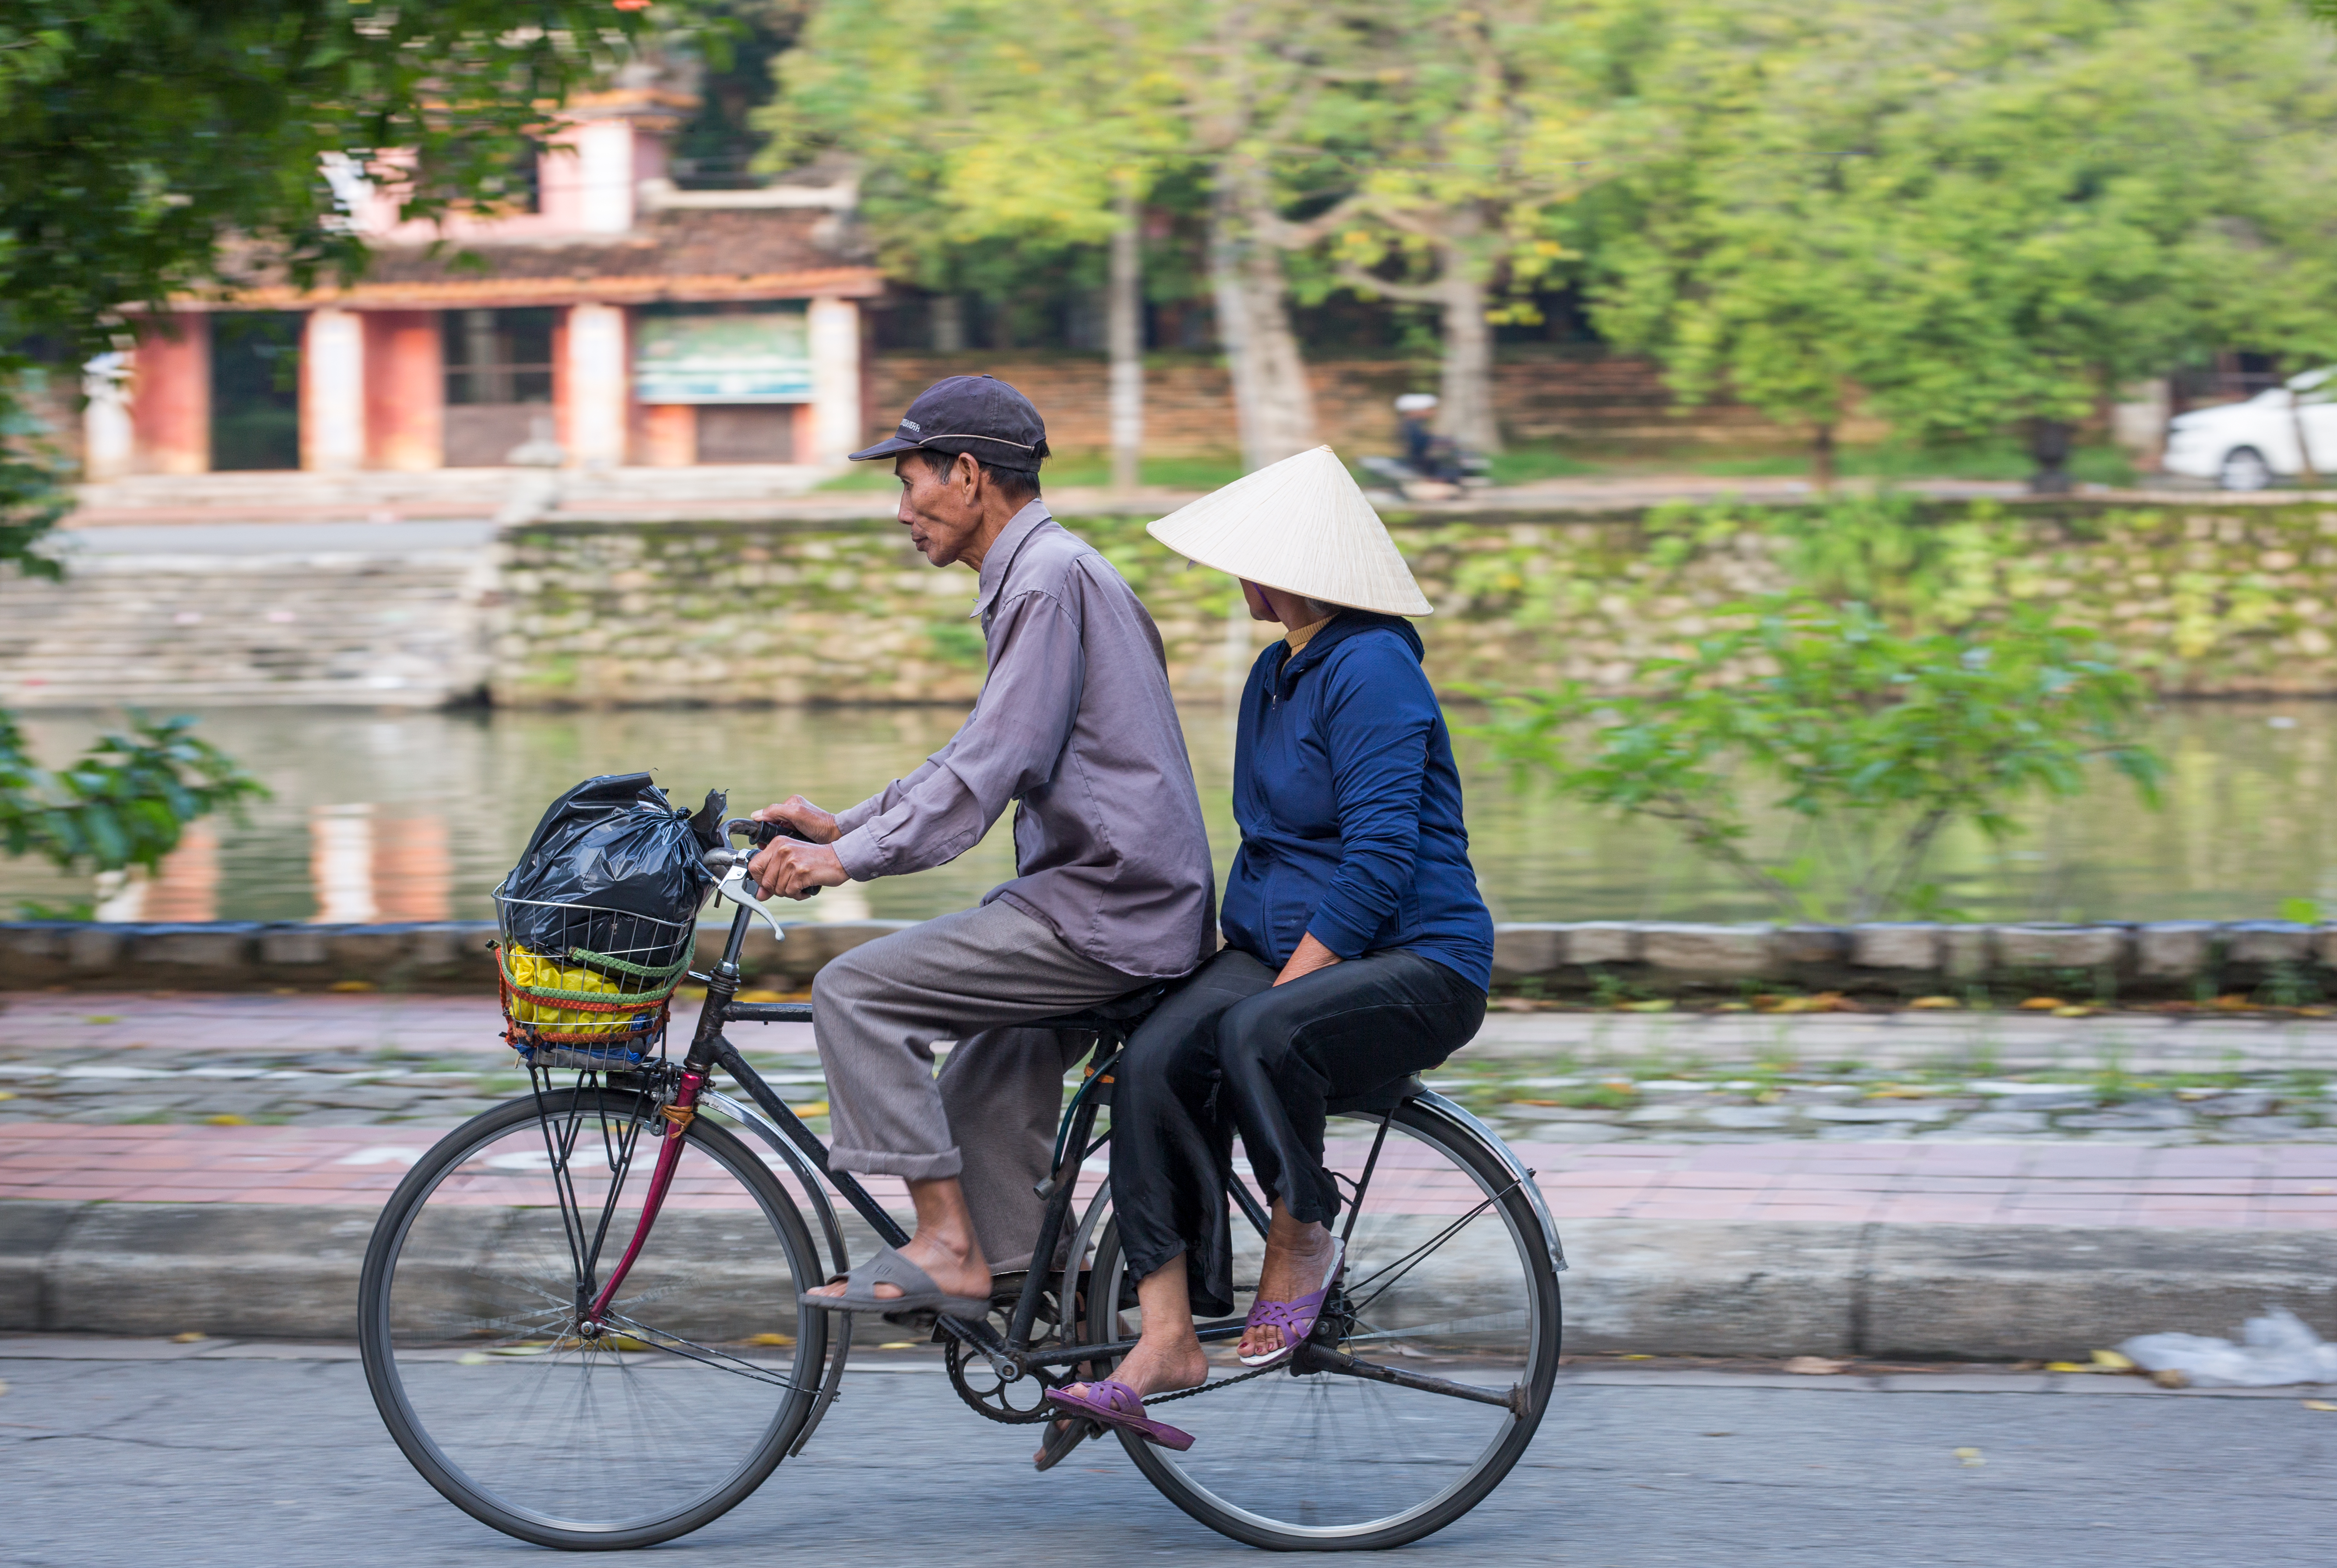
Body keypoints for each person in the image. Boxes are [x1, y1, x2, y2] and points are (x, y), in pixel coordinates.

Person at [1044, 444, 1493, 1453]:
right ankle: (1167, 1334)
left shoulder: (1373, 667)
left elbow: (1379, 857)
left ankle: (1302, 1227)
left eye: (1251, 558)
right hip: (1283, 946)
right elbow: (1264, 841)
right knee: (1153, 1060)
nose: (1236, 576)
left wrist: (1287, 984)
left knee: (1260, 1030)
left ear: (1299, 566)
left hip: (1414, 954)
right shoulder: (1276, 672)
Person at [744, 374, 1215, 1321]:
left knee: (855, 990)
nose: (902, 511)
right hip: (1102, 897)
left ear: (967, 475)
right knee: (976, 1090)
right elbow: (977, 752)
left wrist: (847, 863)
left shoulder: (1046, 581)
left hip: (1109, 908)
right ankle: (1060, 1317)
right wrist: (849, 821)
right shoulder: (1048, 572)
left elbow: (991, 768)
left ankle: (949, 1247)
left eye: (909, 482)